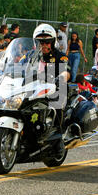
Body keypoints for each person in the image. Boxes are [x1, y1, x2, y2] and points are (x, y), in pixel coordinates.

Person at [32, 23, 70, 156]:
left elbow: (67, 72)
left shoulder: (60, 56)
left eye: (47, 42)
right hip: (34, 89)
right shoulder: (32, 56)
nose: (44, 45)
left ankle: (59, 139)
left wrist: (61, 77)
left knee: (57, 101)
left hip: (54, 88)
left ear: (52, 42)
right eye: (41, 42)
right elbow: (17, 65)